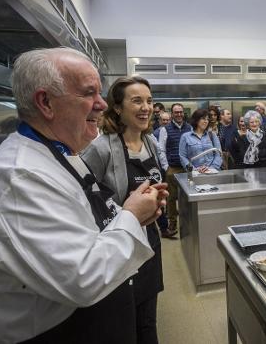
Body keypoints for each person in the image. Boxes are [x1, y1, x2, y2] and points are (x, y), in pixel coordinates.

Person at [0, 47, 167, 344]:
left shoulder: (61, 152)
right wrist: (132, 215)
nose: (100, 105)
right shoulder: (21, 176)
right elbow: (82, 276)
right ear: (46, 102)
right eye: (89, 93)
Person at [81, 76, 167, 343]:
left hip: (149, 239)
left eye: (149, 101)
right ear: (117, 107)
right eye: (137, 101)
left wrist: (157, 199)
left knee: (148, 318)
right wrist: (126, 209)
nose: (146, 107)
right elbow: (86, 200)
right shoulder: (101, 147)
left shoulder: (150, 142)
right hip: (119, 242)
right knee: (125, 320)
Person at [157, 103, 191, 231]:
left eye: (181, 112)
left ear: (183, 113)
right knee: (171, 198)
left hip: (188, 169)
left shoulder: (189, 128)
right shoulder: (165, 129)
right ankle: (172, 222)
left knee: (188, 196)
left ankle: (188, 221)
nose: (179, 114)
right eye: (176, 112)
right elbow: (161, 150)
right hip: (173, 168)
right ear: (172, 114)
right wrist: (166, 167)